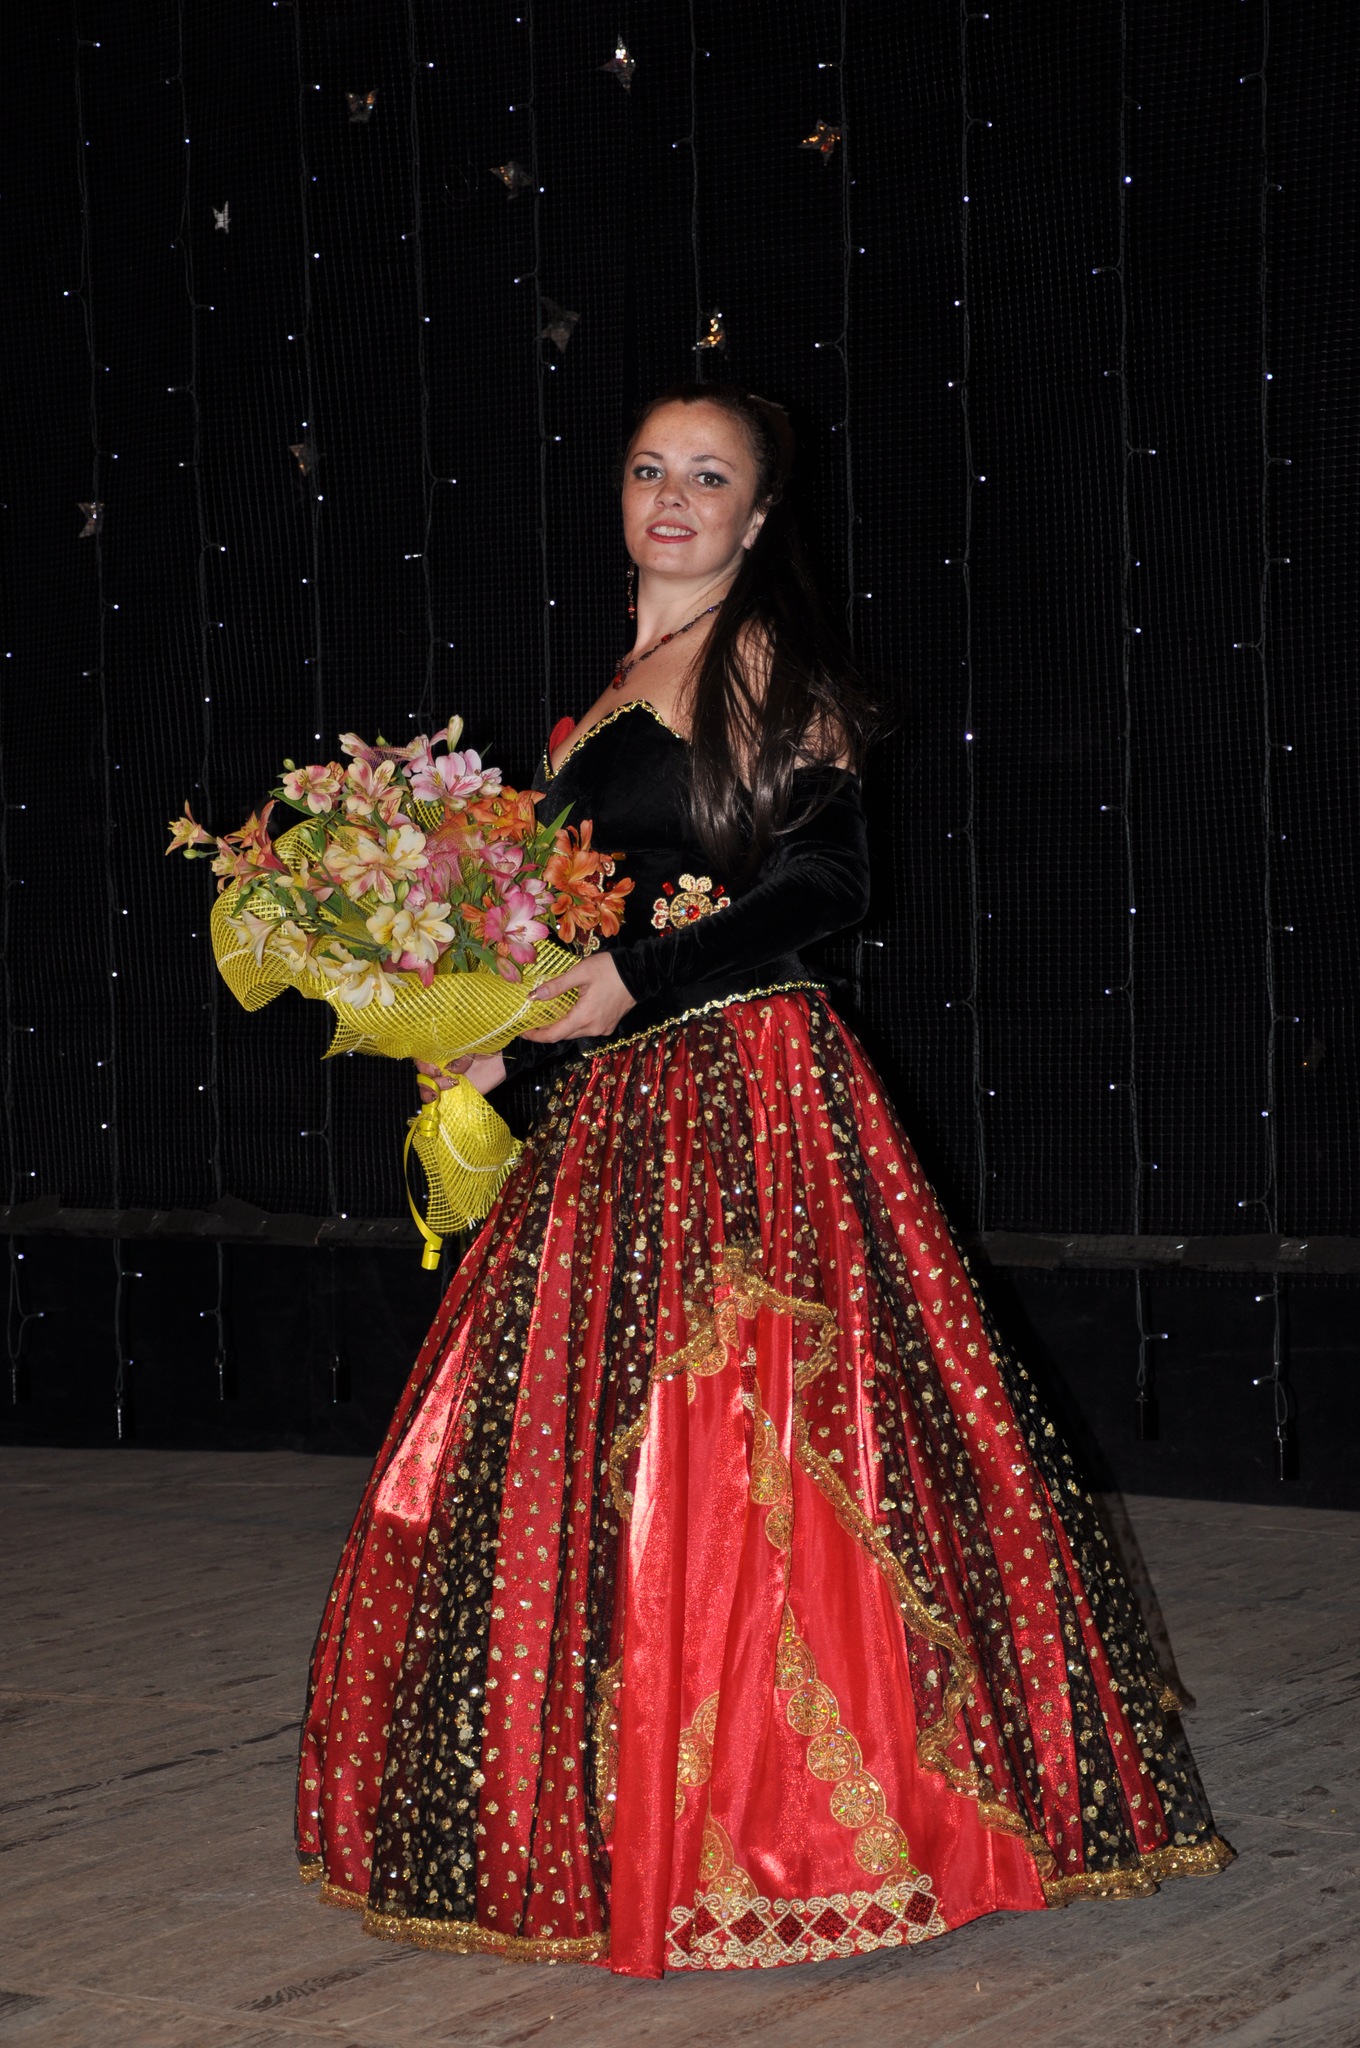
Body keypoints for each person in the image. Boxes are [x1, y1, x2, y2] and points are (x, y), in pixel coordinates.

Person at [296, 384, 1231, 1977]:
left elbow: (831, 880)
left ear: (759, 511)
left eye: (709, 475)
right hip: (623, 1105)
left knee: (752, 1444)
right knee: (608, 1461)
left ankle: (794, 1828)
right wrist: (499, 1048)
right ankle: (624, 1819)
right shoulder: (608, 695)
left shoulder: (754, 659)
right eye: (649, 468)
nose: (673, 496)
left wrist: (629, 982)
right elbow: (601, 935)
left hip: (744, 1090)